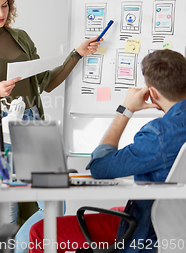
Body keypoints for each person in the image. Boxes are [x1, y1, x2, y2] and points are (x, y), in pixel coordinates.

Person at [0, 0, 100, 246]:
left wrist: (76, 54)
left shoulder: (20, 38)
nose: (0, 14)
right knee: (6, 212)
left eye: (5, 6)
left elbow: (47, 82)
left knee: (54, 204)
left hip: (32, 124)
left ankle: (19, 248)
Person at [29, 49, 186, 253]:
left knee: (40, 233)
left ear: (152, 93)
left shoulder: (159, 134)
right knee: (116, 211)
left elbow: (100, 167)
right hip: (177, 226)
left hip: (153, 233)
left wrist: (125, 110)